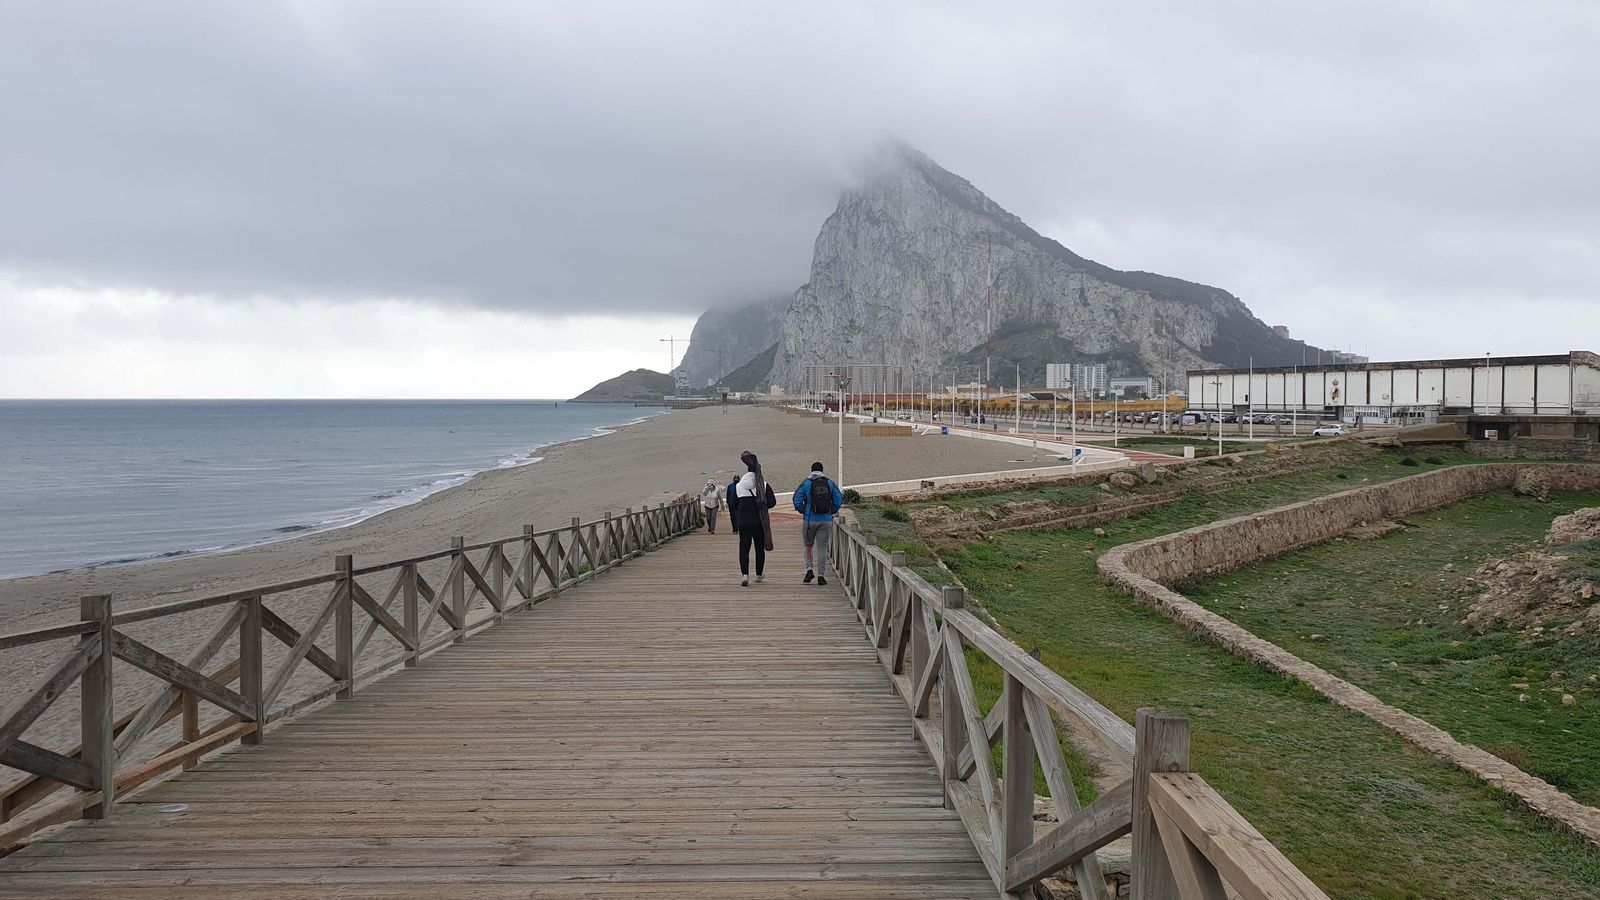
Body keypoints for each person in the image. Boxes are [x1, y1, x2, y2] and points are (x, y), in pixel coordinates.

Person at [792, 461, 843, 586]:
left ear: (811, 470)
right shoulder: (829, 483)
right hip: (825, 520)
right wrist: (832, 511)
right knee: (822, 547)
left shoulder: (806, 483)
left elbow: (796, 500)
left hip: (809, 520)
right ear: (822, 470)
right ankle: (821, 575)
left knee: (808, 545)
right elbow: (838, 499)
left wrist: (804, 511)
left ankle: (809, 569)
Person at [734, 450, 776, 586]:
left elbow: (733, 504)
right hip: (758, 521)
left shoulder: (738, 486)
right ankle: (759, 574)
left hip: (743, 521)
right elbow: (772, 502)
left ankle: (745, 575)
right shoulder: (763, 485)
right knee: (759, 547)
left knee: (744, 548)